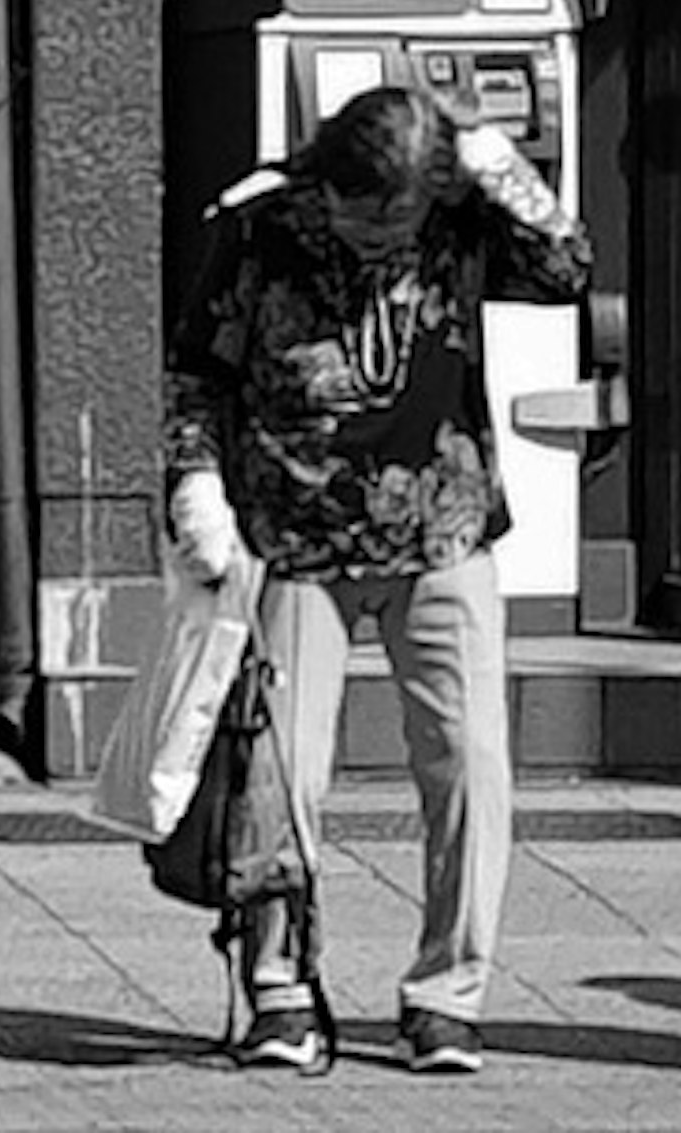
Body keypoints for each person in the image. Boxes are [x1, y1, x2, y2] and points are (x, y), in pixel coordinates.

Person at [163, 81, 590, 1077]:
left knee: (470, 763)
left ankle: (448, 994)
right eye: (361, 213)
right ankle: (281, 986)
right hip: (294, 533)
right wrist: (197, 488)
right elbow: (197, 372)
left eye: (396, 217)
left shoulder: (460, 217)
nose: (377, 236)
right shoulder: (261, 224)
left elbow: (567, 269)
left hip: (441, 524)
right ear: (328, 181)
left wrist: (497, 163)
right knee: (279, 773)